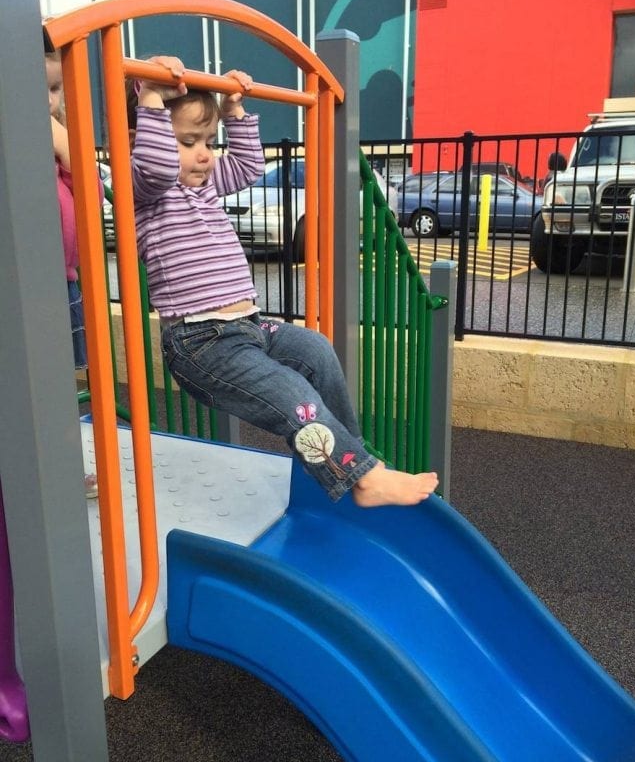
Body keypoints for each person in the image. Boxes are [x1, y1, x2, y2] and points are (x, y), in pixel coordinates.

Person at [128, 55, 438, 506]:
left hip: (249, 326)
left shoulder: (205, 184)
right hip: (199, 342)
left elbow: (250, 166)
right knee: (295, 396)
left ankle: (352, 462)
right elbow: (155, 165)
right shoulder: (145, 190)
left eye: (209, 141)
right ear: (145, 139)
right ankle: (361, 479)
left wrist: (234, 111)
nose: (203, 154)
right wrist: (151, 95)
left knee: (317, 350)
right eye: (187, 141)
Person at [45, 48, 99, 499]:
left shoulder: (61, 149)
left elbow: (93, 191)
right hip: (28, 290)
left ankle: (62, 469)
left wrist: (66, 145)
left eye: (54, 88)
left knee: (61, 385)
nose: (47, 100)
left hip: (61, 281)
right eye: (36, 87)